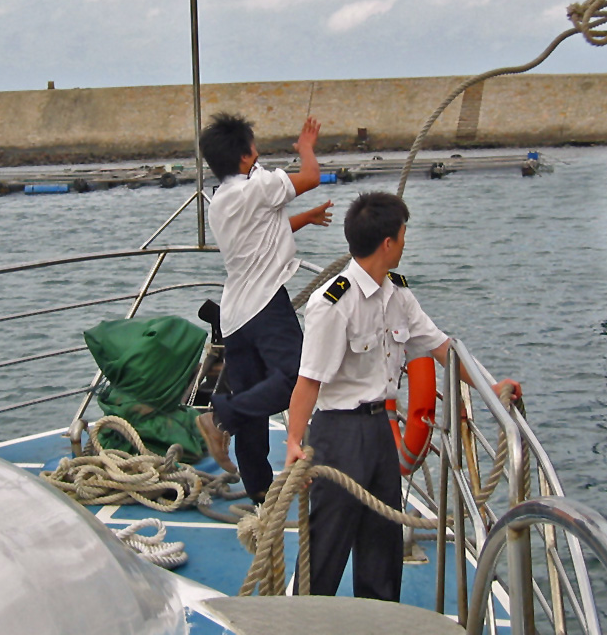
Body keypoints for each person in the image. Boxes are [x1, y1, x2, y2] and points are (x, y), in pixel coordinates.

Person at [285, 191, 522, 600]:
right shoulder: (333, 303)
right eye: (404, 232)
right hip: (338, 436)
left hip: (381, 433)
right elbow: (309, 381)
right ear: (388, 243)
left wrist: (491, 388)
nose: (407, 239)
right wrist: (293, 441)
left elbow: (442, 348)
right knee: (325, 551)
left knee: (382, 549)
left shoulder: (399, 295)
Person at [196, 111, 333, 503]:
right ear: (244, 156)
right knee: (298, 378)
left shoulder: (222, 198)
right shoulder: (258, 186)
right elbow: (310, 177)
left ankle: (259, 493)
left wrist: (305, 219)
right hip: (265, 304)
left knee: (254, 406)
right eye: (252, 146)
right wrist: (305, 148)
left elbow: (263, 234)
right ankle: (220, 417)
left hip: (235, 313)